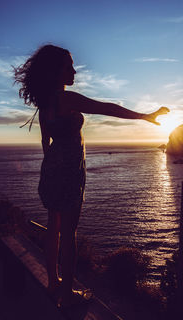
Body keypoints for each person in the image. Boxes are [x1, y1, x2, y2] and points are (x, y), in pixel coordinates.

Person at [14, 44, 169, 307]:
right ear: (55, 71)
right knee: (70, 234)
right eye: (68, 66)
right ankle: (66, 295)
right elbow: (107, 108)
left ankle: (54, 284)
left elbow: (44, 140)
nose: (74, 71)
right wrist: (145, 116)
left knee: (54, 227)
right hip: (69, 172)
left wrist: (51, 162)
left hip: (51, 169)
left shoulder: (45, 103)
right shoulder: (67, 99)